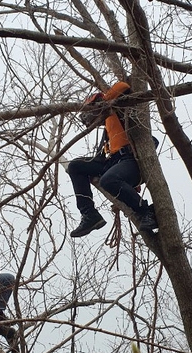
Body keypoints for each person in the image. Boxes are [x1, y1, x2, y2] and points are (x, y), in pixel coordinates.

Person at [67, 81, 158, 238]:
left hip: (130, 160)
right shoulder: (107, 127)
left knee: (108, 180)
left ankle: (146, 211)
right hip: (111, 162)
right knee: (75, 166)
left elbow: (123, 85)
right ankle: (89, 214)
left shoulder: (117, 110)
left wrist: (104, 100)